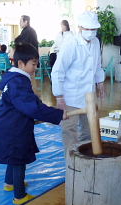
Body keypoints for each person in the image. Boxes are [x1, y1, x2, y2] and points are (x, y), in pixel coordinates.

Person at [0, 42, 66, 205]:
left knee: (13, 157)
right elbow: (31, 107)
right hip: (12, 129)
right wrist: (58, 115)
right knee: (18, 158)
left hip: (10, 125)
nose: (36, 67)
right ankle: (19, 196)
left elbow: (30, 101)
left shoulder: (16, 79)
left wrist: (52, 111)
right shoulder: (17, 82)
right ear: (20, 64)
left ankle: (9, 183)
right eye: (33, 64)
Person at [51, 11, 105, 150]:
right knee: (70, 132)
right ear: (80, 27)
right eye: (88, 29)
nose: (91, 32)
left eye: (94, 29)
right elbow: (58, 71)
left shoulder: (96, 42)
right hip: (71, 96)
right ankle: (72, 163)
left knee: (89, 131)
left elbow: (97, 66)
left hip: (89, 95)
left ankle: (87, 161)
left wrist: (100, 82)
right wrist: (59, 97)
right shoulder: (71, 43)